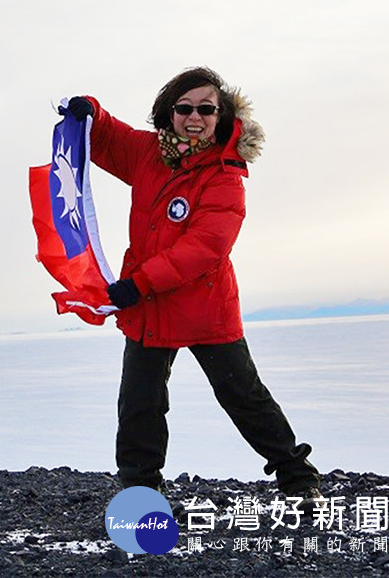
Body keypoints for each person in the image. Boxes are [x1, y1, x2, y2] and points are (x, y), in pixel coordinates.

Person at [63, 67, 322, 502]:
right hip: (148, 307)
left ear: (221, 116)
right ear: (170, 112)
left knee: (243, 396)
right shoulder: (149, 154)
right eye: (185, 108)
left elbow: (205, 248)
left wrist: (139, 282)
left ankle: (297, 478)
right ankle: (140, 490)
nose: (195, 117)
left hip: (203, 308)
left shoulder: (225, 176)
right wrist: (90, 112)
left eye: (206, 108)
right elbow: (107, 138)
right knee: (140, 404)